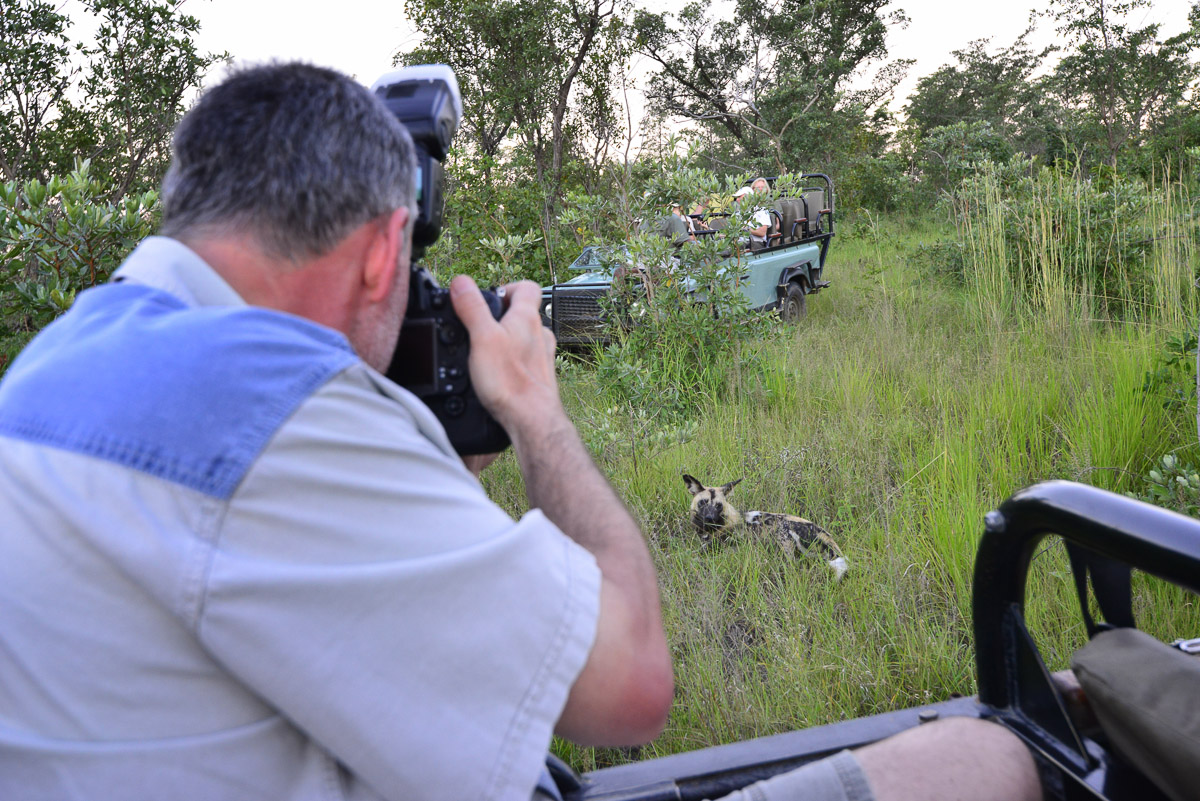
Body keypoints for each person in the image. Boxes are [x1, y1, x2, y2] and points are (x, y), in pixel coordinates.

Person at [0, 63, 1043, 801]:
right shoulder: (268, 407)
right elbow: (632, 686)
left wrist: (447, 462)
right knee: (983, 760)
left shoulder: (54, 364)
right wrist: (537, 414)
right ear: (379, 256)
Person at [734, 183, 772, 249]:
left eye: (739, 196)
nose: (737, 199)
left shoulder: (762, 211)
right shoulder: (737, 213)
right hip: (739, 242)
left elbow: (762, 232)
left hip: (755, 242)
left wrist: (745, 229)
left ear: (748, 197)